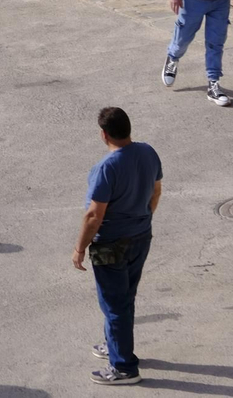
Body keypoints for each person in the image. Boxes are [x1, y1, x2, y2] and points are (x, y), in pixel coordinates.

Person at [73, 107, 161, 386]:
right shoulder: (148, 152)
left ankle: (123, 367)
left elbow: (93, 215)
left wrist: (79, 248)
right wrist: (142, 219)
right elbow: (156, 191)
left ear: (104, 134)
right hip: (141, 236)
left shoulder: (106, 168)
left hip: (111, 244)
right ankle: (116, 345)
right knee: (125, 297)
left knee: (114, 304)